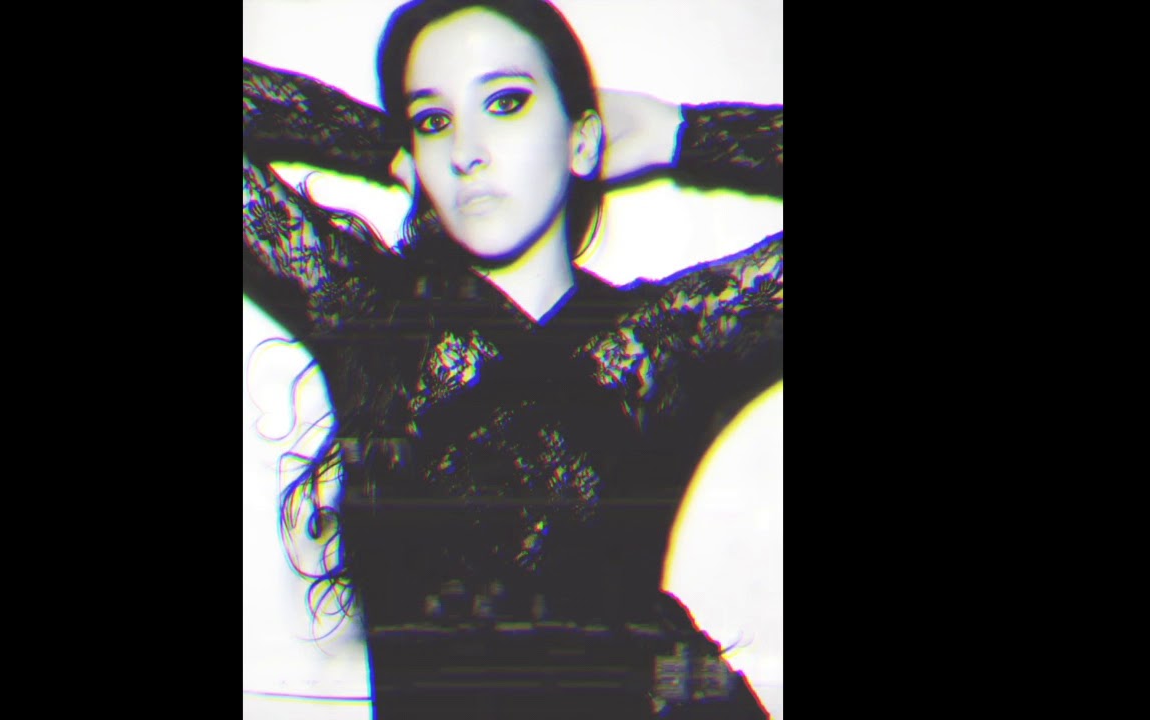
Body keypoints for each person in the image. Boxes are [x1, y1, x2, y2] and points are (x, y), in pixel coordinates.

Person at [242, 1, 781, 716]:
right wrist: (380, 144)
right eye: (435, 120)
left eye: (505, 104)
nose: (466, 151)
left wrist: (680, 133)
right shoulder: (371, 318)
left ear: (582, 142)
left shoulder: (667, 342)